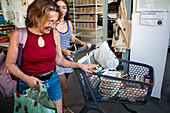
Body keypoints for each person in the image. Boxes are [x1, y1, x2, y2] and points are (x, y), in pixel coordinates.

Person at [5, 0, 97, 113]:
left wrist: (79, 65)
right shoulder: (19, 35)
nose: (53, 26)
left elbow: (59, 60)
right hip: (29, 83)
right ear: (36, 17)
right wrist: (26, 79)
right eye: (50, 21)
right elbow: (9, 63)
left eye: (55, 22)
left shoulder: (54, 34)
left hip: (53, 80)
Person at [54, 0, 91, 113]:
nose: (61, 9)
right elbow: (50, 43)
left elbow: (72, 37)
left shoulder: (68, 23)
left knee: (62, 86)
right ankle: (65, 108)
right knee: (64, 87)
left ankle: (57, 103)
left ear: (66, 10)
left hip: (69, 58)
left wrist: (83, 43)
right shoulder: (52, 23)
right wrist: (62, 51)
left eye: (64, 7)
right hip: (57, 58)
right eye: (59, 7)